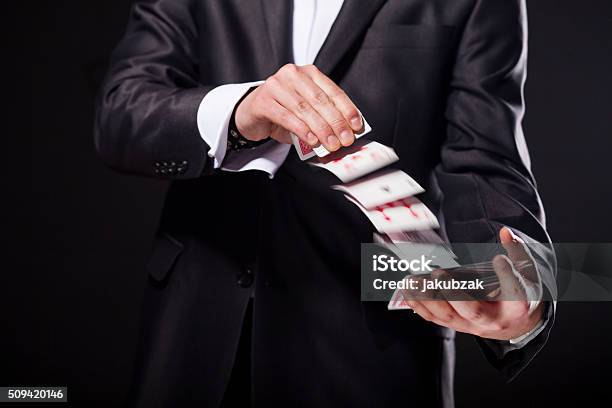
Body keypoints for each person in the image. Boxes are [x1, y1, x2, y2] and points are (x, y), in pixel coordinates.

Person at [94, 0, 556, 406]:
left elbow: (484, 161)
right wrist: (240, 112)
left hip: (374, 348)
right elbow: (122, 114)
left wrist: (521, 282)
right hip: (196, 334)